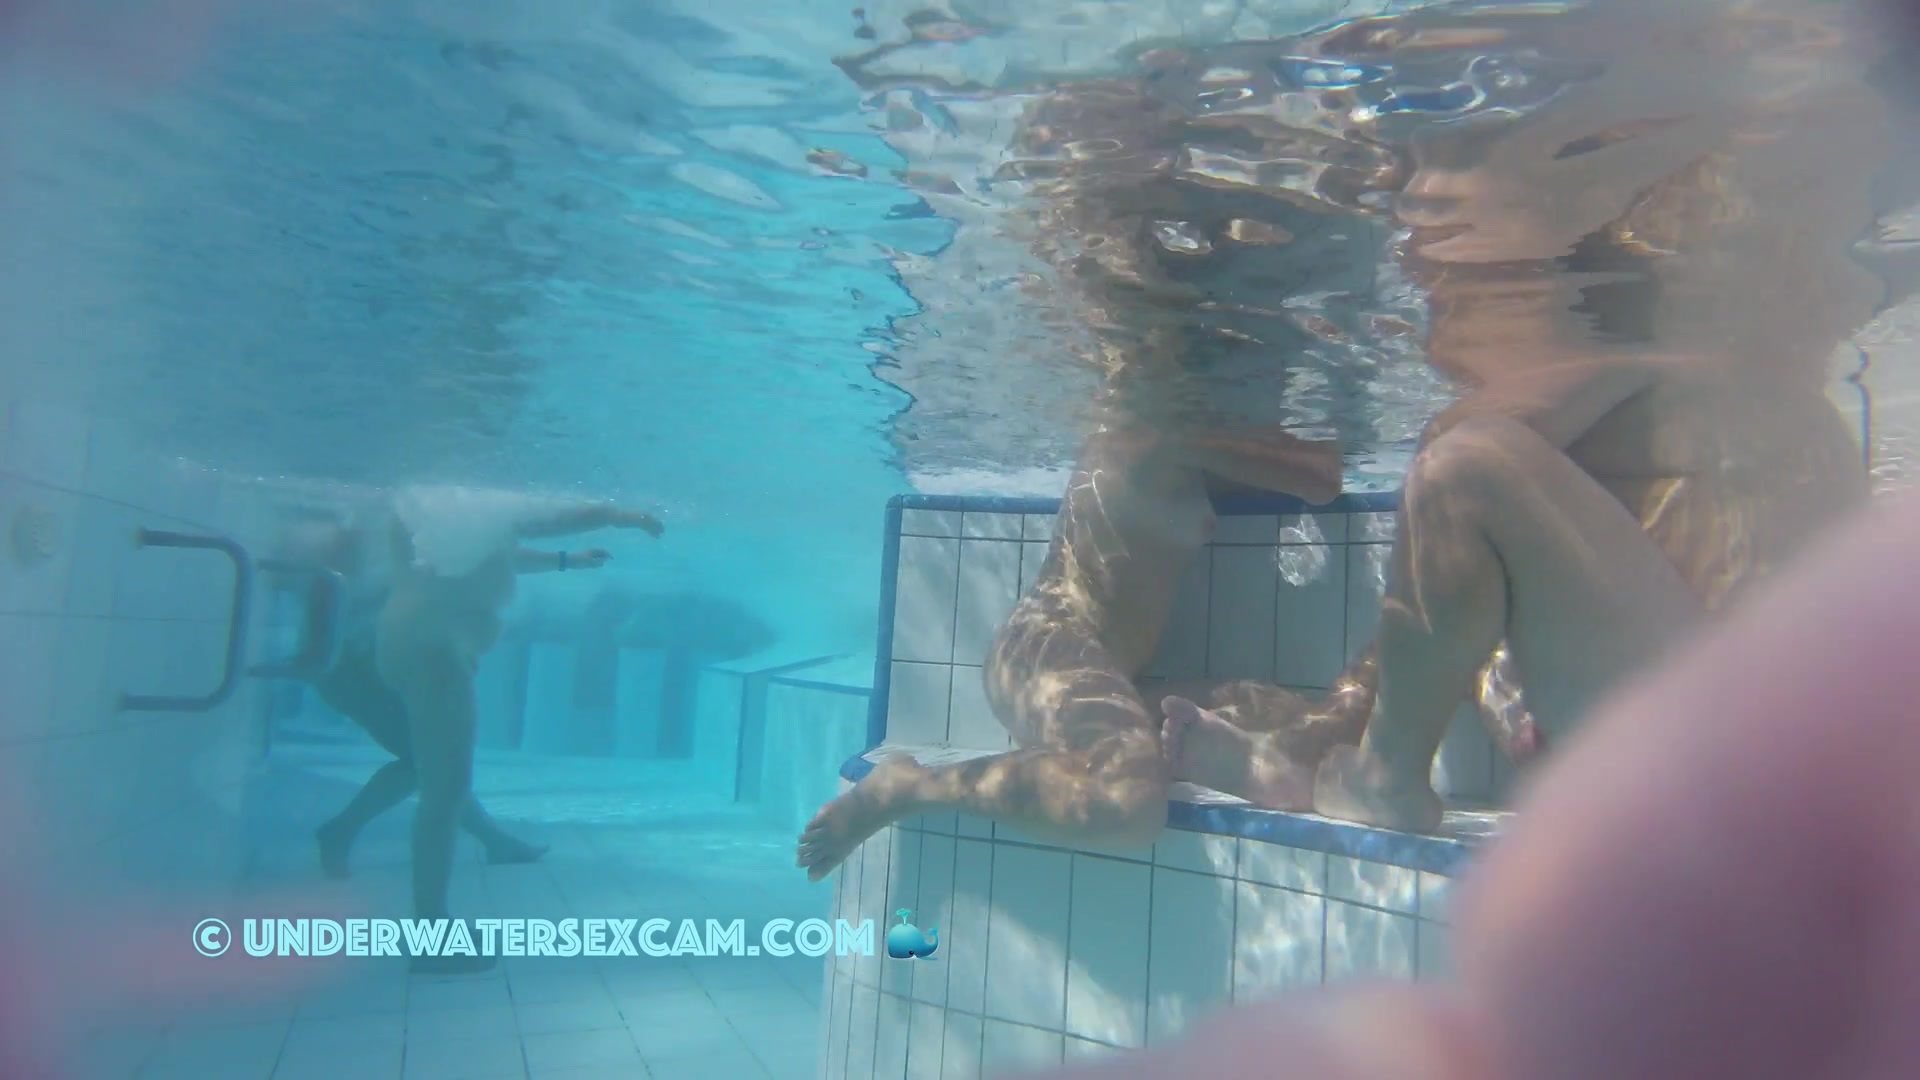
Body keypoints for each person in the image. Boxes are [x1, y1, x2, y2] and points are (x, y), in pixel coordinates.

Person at [1150, 0, 1886, 831]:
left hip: (1729, 767)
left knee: (1461, 475)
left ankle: (1381, 776)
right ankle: (1315, 757)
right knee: (1466, 520)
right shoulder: (1734, 410)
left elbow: (1453, 469)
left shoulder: (1661, 383)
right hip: (1736, 746)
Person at [280, 495, 664, 972]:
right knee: (435, 774)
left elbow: (490, 551)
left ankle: (480, 849)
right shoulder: (386, 526)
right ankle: (426, 923)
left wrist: (567, 559)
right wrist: (615, 515)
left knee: (436, 771)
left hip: (384, 658)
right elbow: (527, 524)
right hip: (375, 662)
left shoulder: (417, 521)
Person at [306, 544, 621, 881]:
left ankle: (495, 842)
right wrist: (567, 560)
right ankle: (342, 831)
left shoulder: (406, 548)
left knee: (434, 761)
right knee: (428, 761)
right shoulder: (390, 547)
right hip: (355, 668)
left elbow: (487, 560)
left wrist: (567, 560)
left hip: (361, 665)